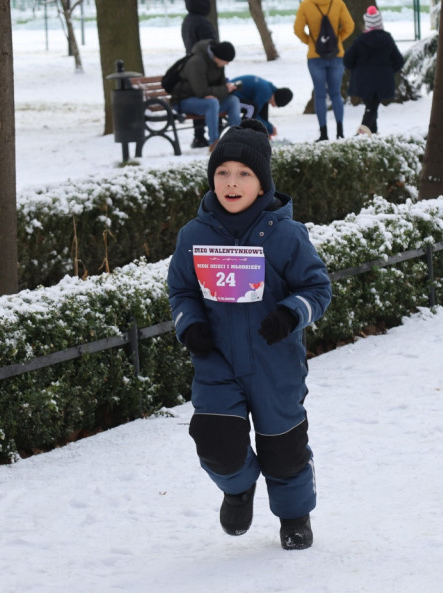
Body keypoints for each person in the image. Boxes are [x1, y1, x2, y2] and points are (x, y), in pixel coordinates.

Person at [166, 119, 332, 550]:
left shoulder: (286, 235)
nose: (231, 183)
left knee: (283, 445)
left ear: (262, 184)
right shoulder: (194, 236)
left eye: (244, 174)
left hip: (274, 361)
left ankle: (295, 516)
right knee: (215, 441)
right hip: (216, 360)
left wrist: (289, 314)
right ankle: (238, 487)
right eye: (222, 173)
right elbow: (182, 290)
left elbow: (317, 288)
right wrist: (192, 325)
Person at [294, 0, 354, 141]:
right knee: (335, 94)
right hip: (336, 55)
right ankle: (340, 132)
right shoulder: (338, 3)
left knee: (320, 95)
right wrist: (337, 39)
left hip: (315, 57)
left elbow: (298, 29)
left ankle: (323, 133)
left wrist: (310, 41)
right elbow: (349, 26)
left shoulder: (306, 5)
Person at [169, 39, 241, 153]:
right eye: (226, 61)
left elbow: (219, 86)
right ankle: (214, 144)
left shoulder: (218, 64)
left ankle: (236, 140)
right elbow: (201, 92)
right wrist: (224, 89)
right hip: (183, 101)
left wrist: (228, 88)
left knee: (233, 100)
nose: (227, 64)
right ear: (218, 56)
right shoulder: (197, 62)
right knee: (212, 103)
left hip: (205, 101)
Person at [343, 6, 404, 136]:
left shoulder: (359, 41)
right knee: (372, 107)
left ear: (367, 24)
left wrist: (357, 70)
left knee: (371, 106)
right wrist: (388, 71)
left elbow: (347, 60)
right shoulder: (387, 39)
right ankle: (362, 133)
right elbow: (398, 61)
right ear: (380, 23)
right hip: (382, 81)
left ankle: (372, 133)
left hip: (362, 81)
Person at [181, 0, 217, 149]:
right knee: (211, 97)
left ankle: (199, 136)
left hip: (190, 66)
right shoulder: (204, 23)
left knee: (198, 96)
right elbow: (212, 47)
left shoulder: (187, 21)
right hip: (205, 68)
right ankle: (215, 134)